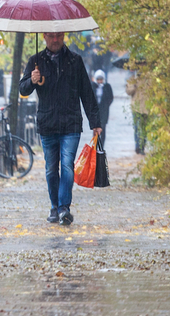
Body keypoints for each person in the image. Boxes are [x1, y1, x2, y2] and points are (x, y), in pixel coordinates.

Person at [19, 31, 102, 226]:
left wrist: (95, 122)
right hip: (47, 124)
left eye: (58, 36)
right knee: (50, 169)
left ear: (63, 36)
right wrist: (32, 80)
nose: (55, 40)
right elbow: (23, 89)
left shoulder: (75, 61)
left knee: (66, 166)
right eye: (51, 36)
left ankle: (64, 208)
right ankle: (54, 207)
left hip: (70, 123)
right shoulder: (36, 61)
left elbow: (86, 92)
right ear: (44, 37)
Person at [126, 74, 150, 154]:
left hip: (146, 107)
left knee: (144, 128)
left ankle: (142, 146)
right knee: (137, 128)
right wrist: (134, 85)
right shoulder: (132, 79)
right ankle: (137, 147)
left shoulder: (149, 78)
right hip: (136, 108)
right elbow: (128, 92)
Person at [92, 69, 114, 142]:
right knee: (95, 128)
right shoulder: (93, 86)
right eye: (98, 79)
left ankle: (102, 145)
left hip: (104, 110)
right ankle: (95, 145)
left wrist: (106, 105)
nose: (99, 81)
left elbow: (110, 97)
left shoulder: (107, 86)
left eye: (101, 79)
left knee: (103, 127)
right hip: (95, 111)